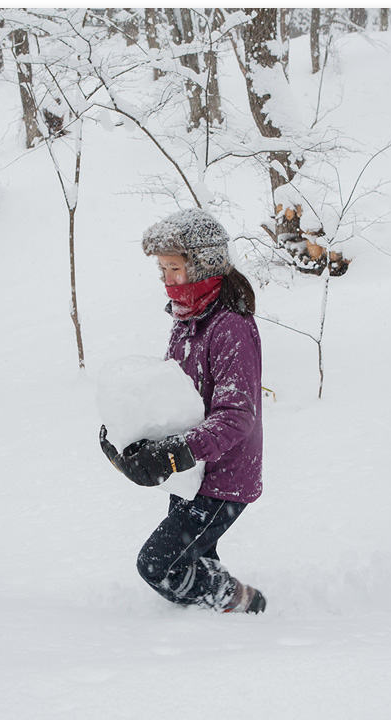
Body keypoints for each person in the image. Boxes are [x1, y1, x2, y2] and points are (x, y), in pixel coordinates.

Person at [99, 208, 266, 614]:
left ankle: (245, 603)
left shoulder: (229, 327)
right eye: (162, 271)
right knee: (193, 557)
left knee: (159, 565)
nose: (167, 280)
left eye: (174, 268)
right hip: (192, 474)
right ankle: (214, 632)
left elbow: (235, 415)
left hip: (222, 476)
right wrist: (130, 437)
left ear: (203, 264)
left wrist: (172, 453)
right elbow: (172, 397)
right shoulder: (187, 319)